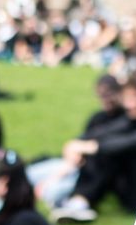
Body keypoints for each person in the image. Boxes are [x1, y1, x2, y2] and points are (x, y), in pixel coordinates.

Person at [50, 73, 136, 223]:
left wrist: (95, 147)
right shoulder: (132, 118)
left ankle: (79, 202)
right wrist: (77, 143)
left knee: (109, 152)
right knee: (106, 149)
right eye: (127, 98)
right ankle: (78, 201)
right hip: (131, 184)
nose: (130, 104)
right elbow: (106, 131)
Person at [26, 74, 123, 207]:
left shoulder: (124, 120)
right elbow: (75, 145)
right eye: (100, 95)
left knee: (51, 193)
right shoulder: (97, 118)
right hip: (74, 165)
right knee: (28, 174)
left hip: (89, 174)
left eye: (108, 94)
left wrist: (83, 148)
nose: (104, 99)